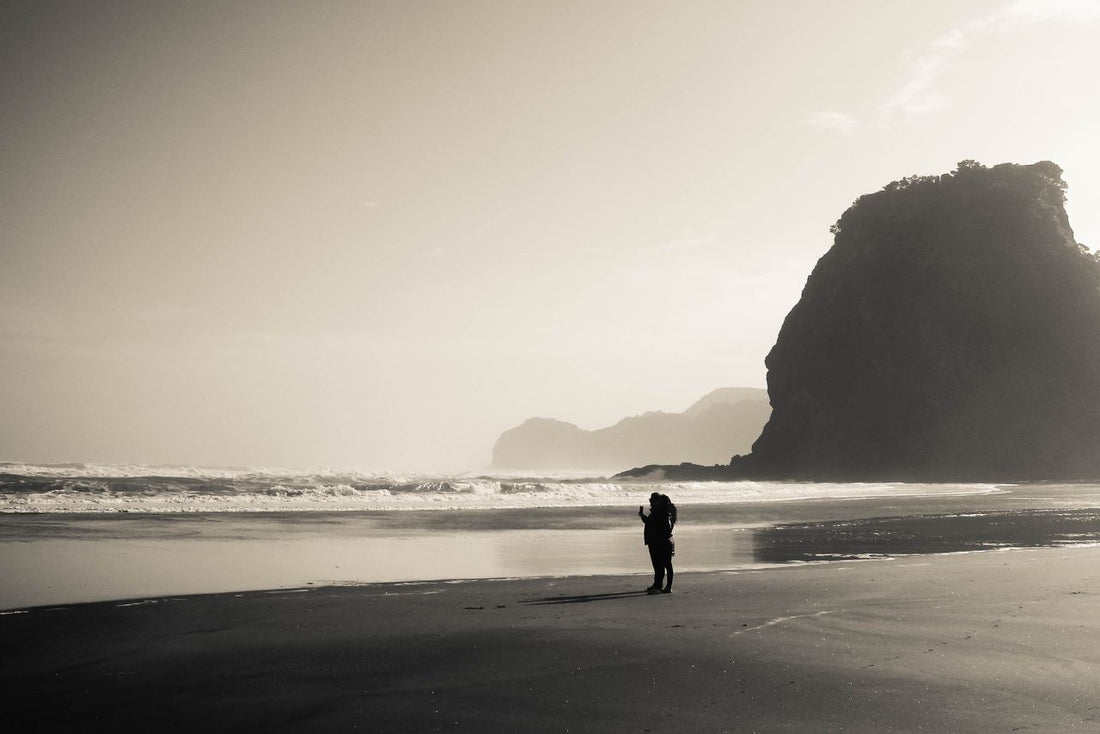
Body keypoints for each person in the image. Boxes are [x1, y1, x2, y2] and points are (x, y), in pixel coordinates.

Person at [638, 492, 676, 594]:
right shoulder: (658, 512)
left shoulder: (663, 513)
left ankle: (663, 586)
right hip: (658, 541)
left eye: (652, 500)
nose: (650, 501)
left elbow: (665, 528)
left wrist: (659, 535)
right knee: (659, 565)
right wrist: (642, 516)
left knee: (663, 565)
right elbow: (650, 522)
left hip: (661, 542)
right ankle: (658, 585)